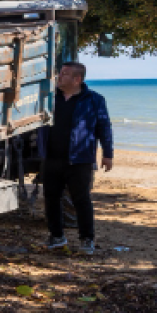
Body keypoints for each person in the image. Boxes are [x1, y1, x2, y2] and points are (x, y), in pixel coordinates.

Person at [38, 61, 114, 255]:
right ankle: (56, 237)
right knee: (51, 199)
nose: (59, 77)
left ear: (77, 79)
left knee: (81, 200)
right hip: (51, 158)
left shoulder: (94, 100)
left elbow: (104, 127)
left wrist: (107, 154)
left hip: (79, 160)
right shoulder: (49, 98)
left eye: (64, 74)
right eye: (60, 73)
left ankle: (87, 240)